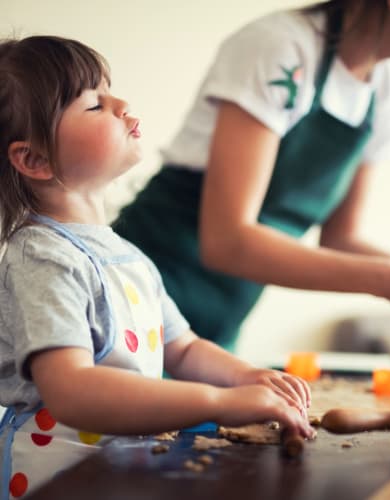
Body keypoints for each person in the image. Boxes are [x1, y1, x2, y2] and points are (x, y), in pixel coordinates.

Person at [0, 35, 314, 498]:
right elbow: (71, 388)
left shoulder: (127, 256)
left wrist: (245, 376)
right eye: (93, 105)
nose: (121, 104)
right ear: (34, 159)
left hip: (118, 472)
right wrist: (219, 402)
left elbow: (182, 349)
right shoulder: (43, 257)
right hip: (56, 479)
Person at [115, 0, 390, 351]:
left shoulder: (383, 93)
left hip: (214, 334)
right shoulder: (280, 49)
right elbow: (227, 241)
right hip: (138, 303)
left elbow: (341, 239)